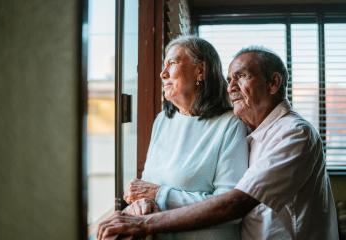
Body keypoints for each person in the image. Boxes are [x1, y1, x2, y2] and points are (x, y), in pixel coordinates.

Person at [97, 46, 339, 240]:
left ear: (273, 83)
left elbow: (234, 204)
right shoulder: (250, 129)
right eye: (229, 79)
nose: (231, 86)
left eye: (241, 76)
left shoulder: (294, 134)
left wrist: (143, 223)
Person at [103, 35, 248, 240]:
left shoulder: (231, 125)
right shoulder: (162, 120)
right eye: (164, 65)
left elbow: (229, 207)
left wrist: (159, 194)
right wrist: (141, 203)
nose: (163, 73)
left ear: (200, 71)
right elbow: (148, 186)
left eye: (172, 63)